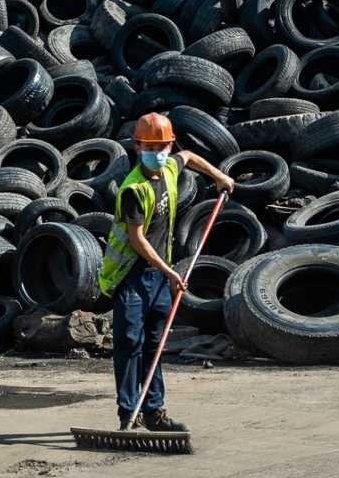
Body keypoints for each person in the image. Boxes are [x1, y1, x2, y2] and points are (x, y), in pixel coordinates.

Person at [97, 112, 236, 432]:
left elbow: (188, 157)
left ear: (169, 145)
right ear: (137, 147)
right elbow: (137, 240)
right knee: (130, 343)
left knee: (156, 343)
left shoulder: (170, 168)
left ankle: (154, 411)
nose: (157, 153)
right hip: (131, 275)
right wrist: (170, 272)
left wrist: (219, 177)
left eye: (162, 147)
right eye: (150, 147)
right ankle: (127, 413)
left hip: (158, 277)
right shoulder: (134, 189)